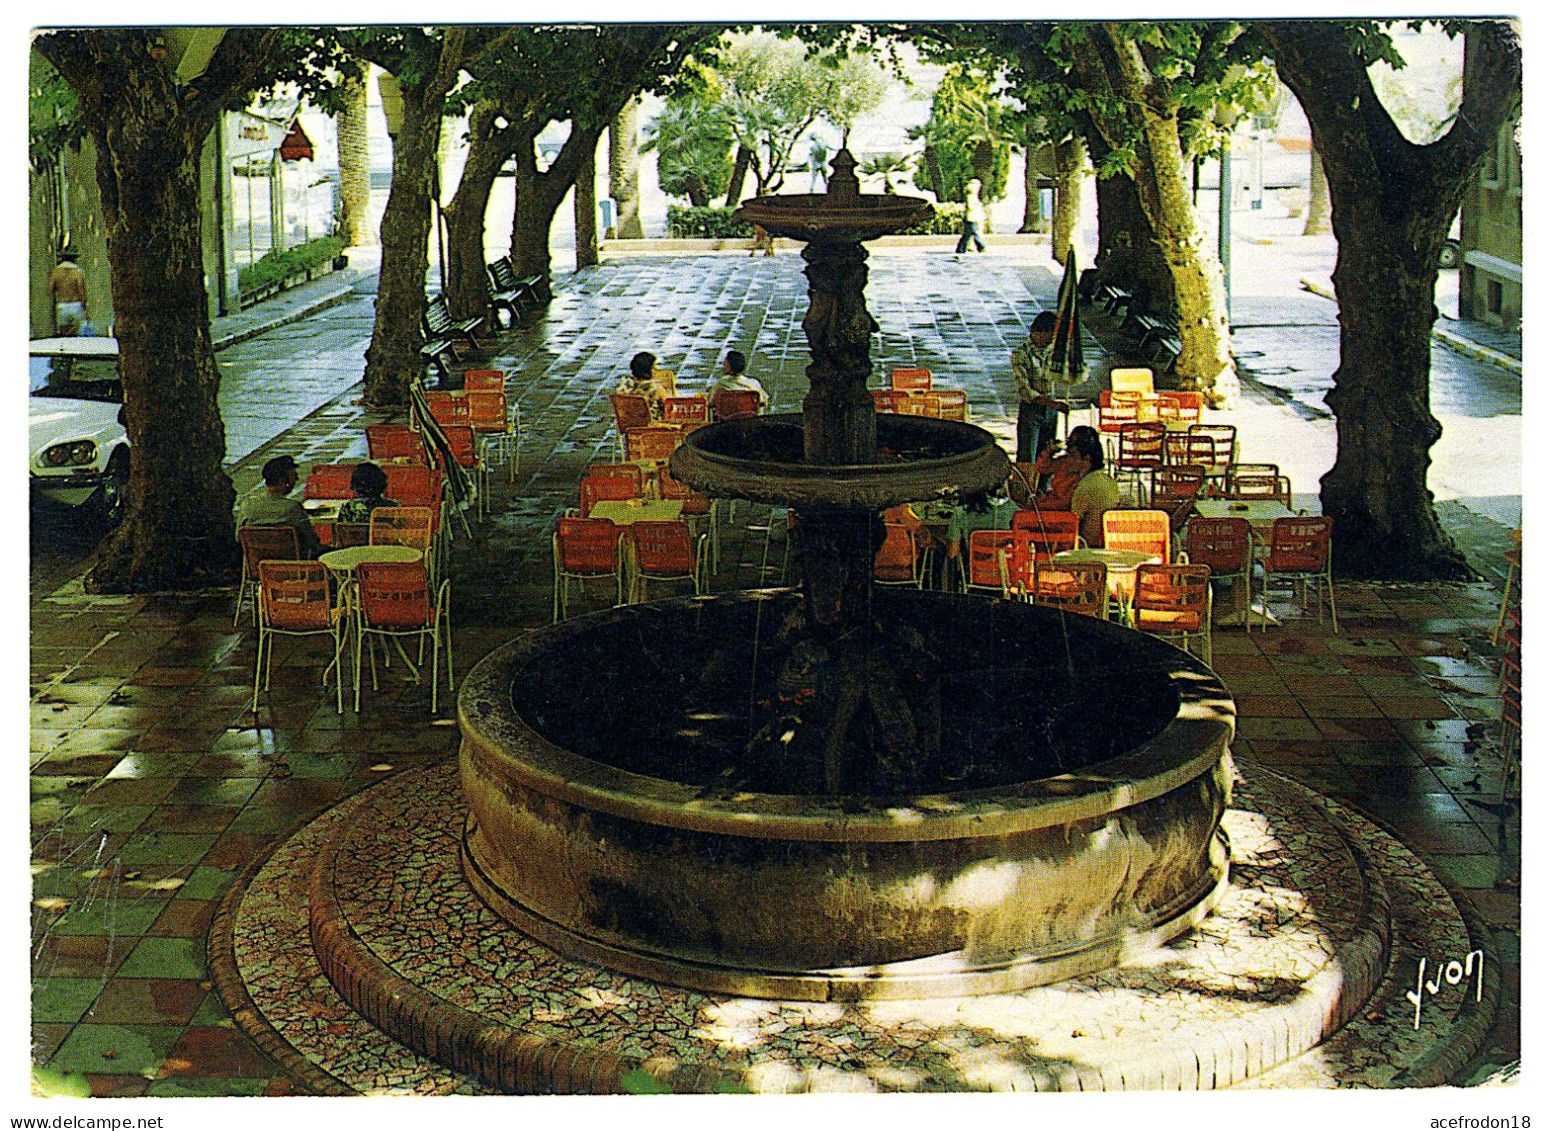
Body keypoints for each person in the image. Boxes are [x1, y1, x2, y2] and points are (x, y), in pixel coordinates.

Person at [1012, 311, 1070, 464]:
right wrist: (1053, 404)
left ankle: (1044, 488)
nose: (1052, 340)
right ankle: (1026, 487)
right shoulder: (1021, 354)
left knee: (1047, 457)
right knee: (1028, 458)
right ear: (1038, 332)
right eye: (1050, 335)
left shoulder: (1052, 351)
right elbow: (1025, 391)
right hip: (1031, 411)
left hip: (1051, 412)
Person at [238, 455, 322, 559]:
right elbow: (312, 540)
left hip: (260, 567)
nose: (297, 479)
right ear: (282, 481)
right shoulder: (292, 508)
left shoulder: (247, 505)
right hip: (292, 567)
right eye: (293, 476)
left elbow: (238, 538)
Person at [1066, 431, 1119, 548]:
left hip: (1086, 547)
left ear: (1087, 459)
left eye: (1074, 456)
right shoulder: (1109, 481)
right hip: (1105, 544)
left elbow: (1071, 525)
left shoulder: (1086, 488)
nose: (1069, 461)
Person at [1033, 425, 1101, 509]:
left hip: (1060, 513)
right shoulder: (1066, 462)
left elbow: (1065, 503)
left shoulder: (1087, 479)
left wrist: (1040, 504)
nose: (1070, 453)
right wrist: (1047, 451)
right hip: (1049, 504)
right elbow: (1042, 467)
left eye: (1074, 453)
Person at [707, 349, 766, 414]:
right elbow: (763, 402)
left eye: (725, 363)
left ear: (729, 366)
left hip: (726, 420)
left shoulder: (720, 384)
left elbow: (711, 403)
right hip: (749, 419)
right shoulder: (754, 384)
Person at [47, 251, 88, 337]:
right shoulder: (77, 272)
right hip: (76, 304)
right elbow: (81, 290)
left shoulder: (56, 272)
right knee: (75, 332)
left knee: (64, 333)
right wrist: (85, 306)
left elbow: (50, 290)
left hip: (62, 305)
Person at [618, 352, 668, 419]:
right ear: (647, 369)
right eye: (653, 366)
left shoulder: (624, 386)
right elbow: (670, 406)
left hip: (629, 425)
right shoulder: (656, 388)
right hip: (651, 426)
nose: (657, 368)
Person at [954, 178, 987, 256]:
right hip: (972, 218)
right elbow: (970, 206)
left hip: (972, 218)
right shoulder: (971, 196)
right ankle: (981, 246)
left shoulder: (972, 196)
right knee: (974, 233)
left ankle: (961, 248)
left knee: (967, 234)